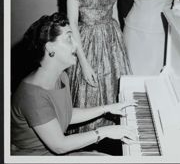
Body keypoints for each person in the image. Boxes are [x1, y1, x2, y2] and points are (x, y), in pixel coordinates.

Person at [11, 13, 137, 156]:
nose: (77, 44)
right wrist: (105, 132)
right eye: (69, 38)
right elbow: (60, 146)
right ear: (50, 48)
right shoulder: (32, 96)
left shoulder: (61, 76)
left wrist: (107, 108)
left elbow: (66, 115)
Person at [65, 0, 131, 133]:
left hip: (112, 38)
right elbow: (72, 23)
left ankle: (115, 139)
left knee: (116, 91)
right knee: (90, 95)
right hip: (87, 41)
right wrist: (83, 63)